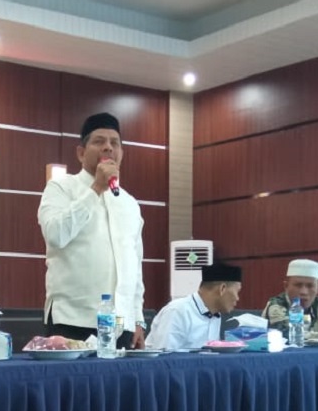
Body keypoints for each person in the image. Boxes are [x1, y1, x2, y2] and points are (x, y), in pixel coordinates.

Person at [37, 112, 146, 350]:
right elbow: (55, 235)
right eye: (99, 141)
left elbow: (135, 266)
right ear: (81, 153)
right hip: (72, 319)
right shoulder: (61, 188)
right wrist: (96, 187)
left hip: (120, 325)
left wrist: (137, 318)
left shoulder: (129, 203)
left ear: (122, 153)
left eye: (115, 143)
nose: (108, 147)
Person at [146, 262, 243, 351]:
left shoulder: (215, 315)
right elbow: (165, 357)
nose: (237, 298)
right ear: (222, 289)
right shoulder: (178, 311)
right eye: (237, 292)